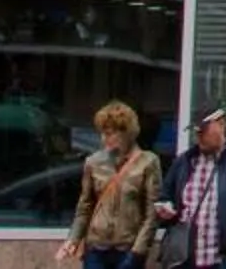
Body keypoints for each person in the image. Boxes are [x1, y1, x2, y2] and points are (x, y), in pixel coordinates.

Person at [154, 103, 226, 269]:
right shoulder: (184, 162)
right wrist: (165, 209)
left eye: (204, 131)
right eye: (196, 132)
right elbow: (165, 196)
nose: (199, 136)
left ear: (221, 125)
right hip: (186, 259)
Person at [57, 102, 162, 269]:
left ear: (126, 133)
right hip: (96, 246)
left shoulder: (148, 162)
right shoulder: (93, 162)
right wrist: (73, 239)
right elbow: (85, 207)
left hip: (128, 246)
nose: (104, 139)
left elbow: (152, 213)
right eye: (102, 133)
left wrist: (138, 251)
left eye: (110, 134)